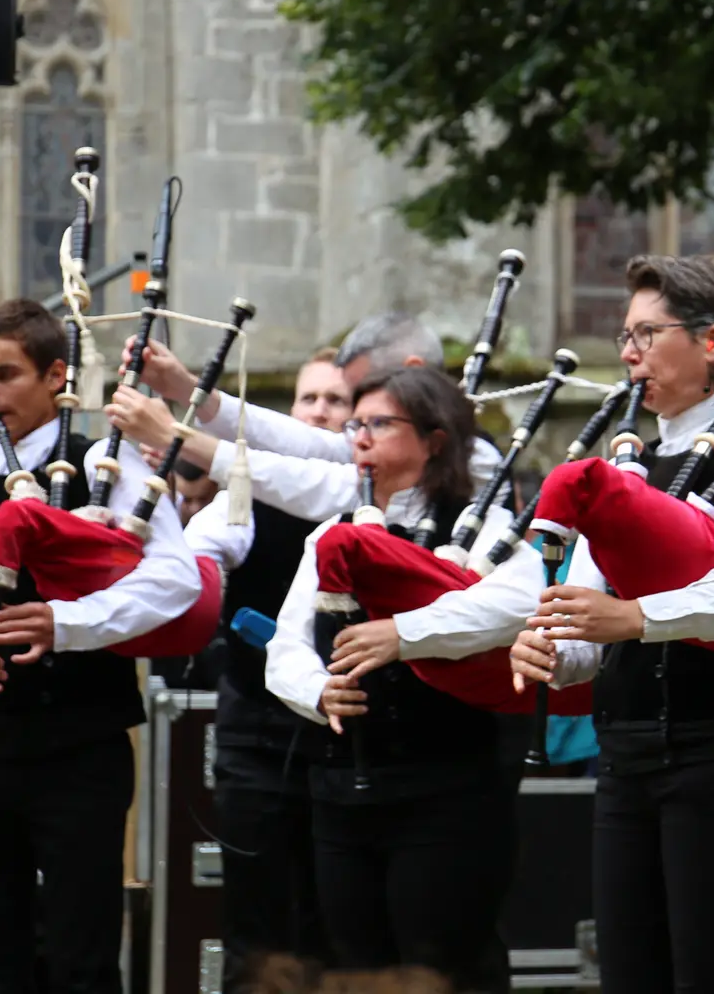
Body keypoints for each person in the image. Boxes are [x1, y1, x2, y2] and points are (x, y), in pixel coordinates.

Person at [0, 299, 198, 994]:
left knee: (84, 954)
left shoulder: (112, 470)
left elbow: (177, 581)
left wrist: (67, 622)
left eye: (5, 374)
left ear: (57, 375)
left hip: (81, 748)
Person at [509, 254, 714, 994]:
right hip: (628, 755)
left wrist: (636, 618)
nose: (629, 352)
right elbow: (589, 619)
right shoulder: (629, 461)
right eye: (625, 336)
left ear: (712, 342)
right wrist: (554, 647)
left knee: (708, 977)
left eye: (647, 333)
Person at [264, 366, 543, 993]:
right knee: (360, 968)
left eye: (378, 423)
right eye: (355, 422)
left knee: (444, 969)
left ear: (435, 439)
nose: (356, 436)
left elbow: (521, 602)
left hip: (446, 788)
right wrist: (317, 691)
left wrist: (405, 632)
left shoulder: (484, 526)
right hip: (343, 791)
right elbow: (285, 646)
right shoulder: (329, 536)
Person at [118, 349, 351, 991]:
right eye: (310, 400)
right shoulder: (243, 499)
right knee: (257, 931)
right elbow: (199, 560)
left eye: (337, 401)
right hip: (257, 741)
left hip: (349, 749)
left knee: (335, 929)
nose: (321, 413)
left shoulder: (365, 501)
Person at [123, 313, 501, 525]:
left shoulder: (477, 460)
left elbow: (308, 477)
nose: (357, 426)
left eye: (378, 418)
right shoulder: (367, 458)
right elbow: (310, 446)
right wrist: (189, 390)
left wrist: (177, 436)